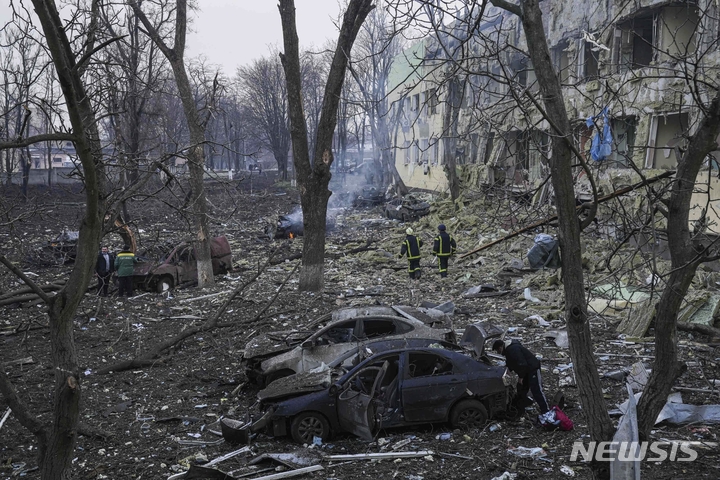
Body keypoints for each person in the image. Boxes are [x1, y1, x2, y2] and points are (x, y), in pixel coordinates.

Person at [493, 339, 549, 414]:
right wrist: (508, 370)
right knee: (521, 388)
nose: (499, 353)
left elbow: (522, 363)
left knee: (536, 390)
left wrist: (521, 377)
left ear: (500, 348)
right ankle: (522, 406)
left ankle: (546, 410)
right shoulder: (509, 350)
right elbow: (511, 361)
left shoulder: (513, 350)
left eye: (498, 351)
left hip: (532, 369)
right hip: (526, 370)